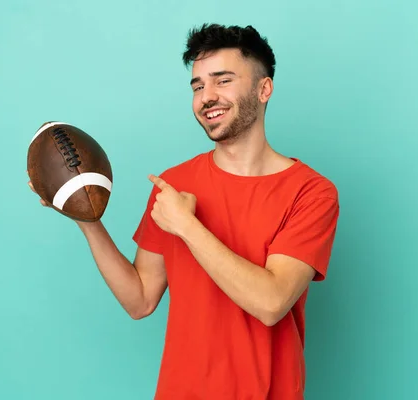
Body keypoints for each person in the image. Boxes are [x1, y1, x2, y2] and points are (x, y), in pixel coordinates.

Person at [29, 23, 340, 400]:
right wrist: (85, 218)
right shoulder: (173, 185)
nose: (206, 97)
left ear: (264, 89)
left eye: (222, 81)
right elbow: (140, 299)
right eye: (197, 86)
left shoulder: (311, 192)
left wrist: (187, 227)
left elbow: (271, 302)